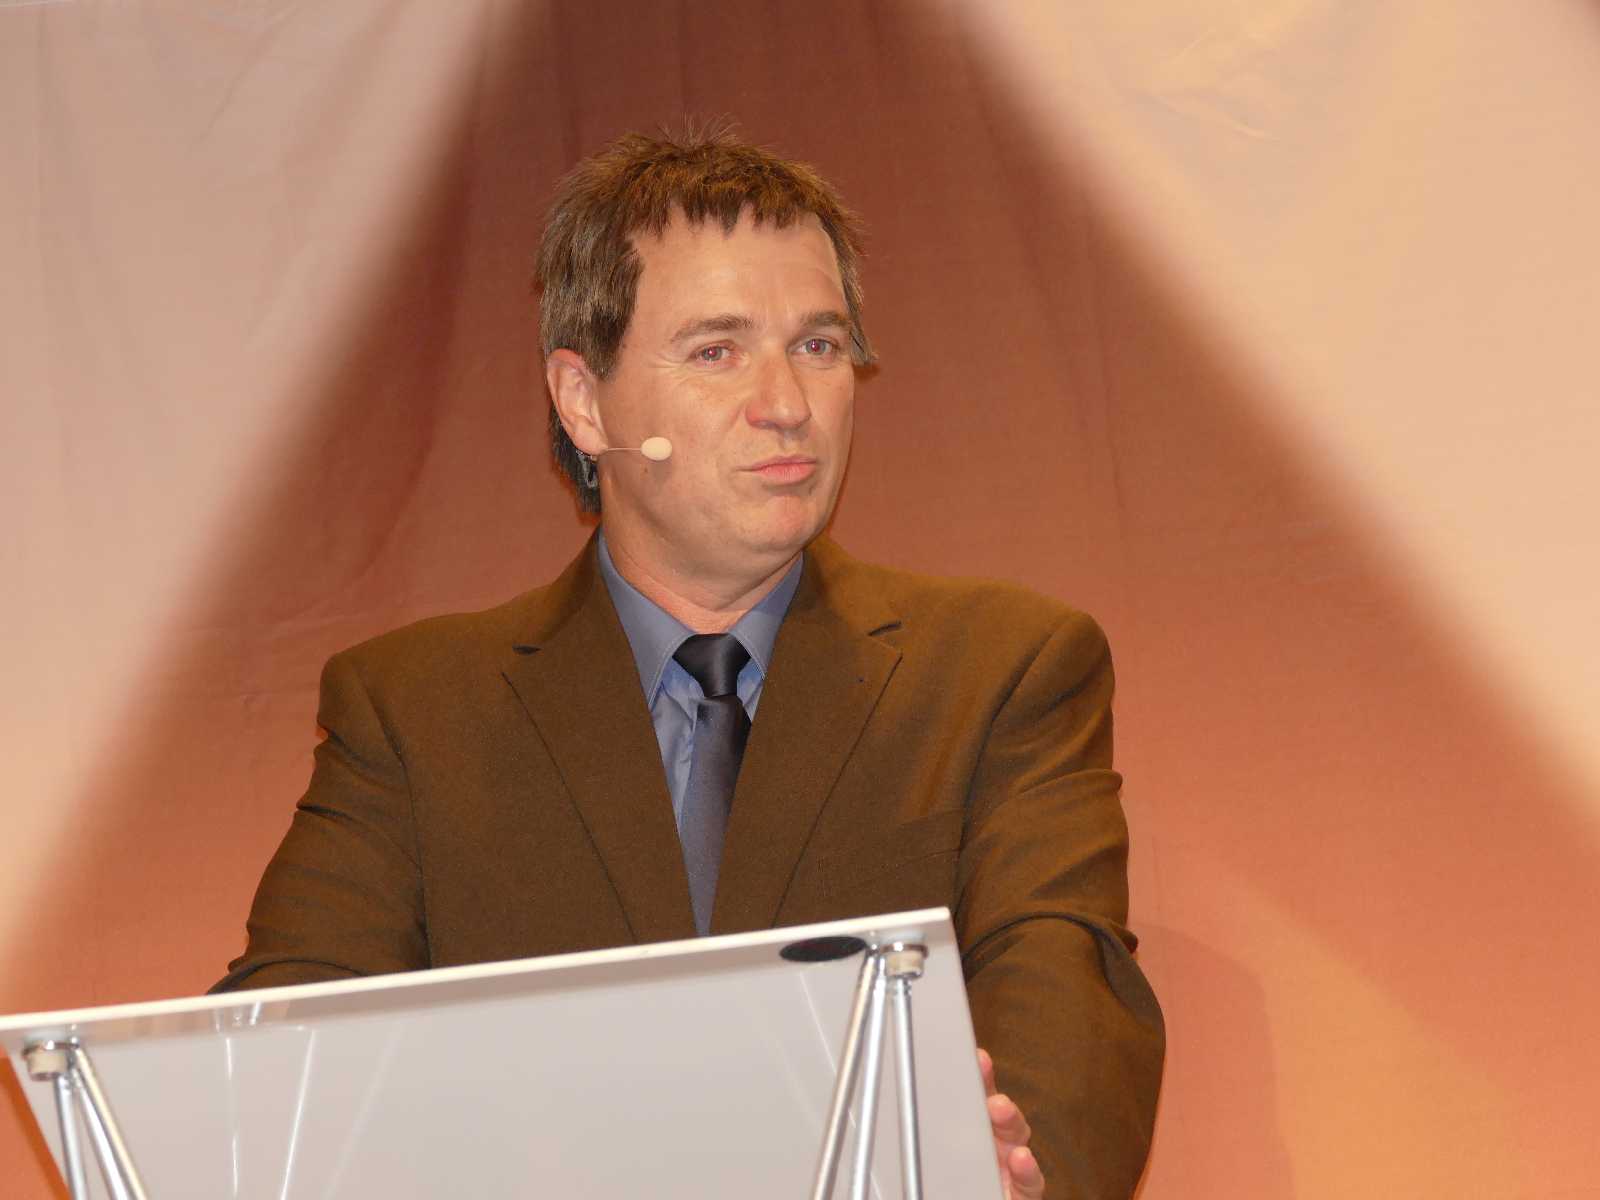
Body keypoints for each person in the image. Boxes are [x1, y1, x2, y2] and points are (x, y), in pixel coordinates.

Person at [216, 129, 1164, 1198]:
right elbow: (274, 1067)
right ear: (584, 402)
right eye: (717, 351)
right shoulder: (414, 712)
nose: (787, 403)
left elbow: (1066, 1002)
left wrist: (1008, 1171)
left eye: (818, 344)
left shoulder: (1003, 671)